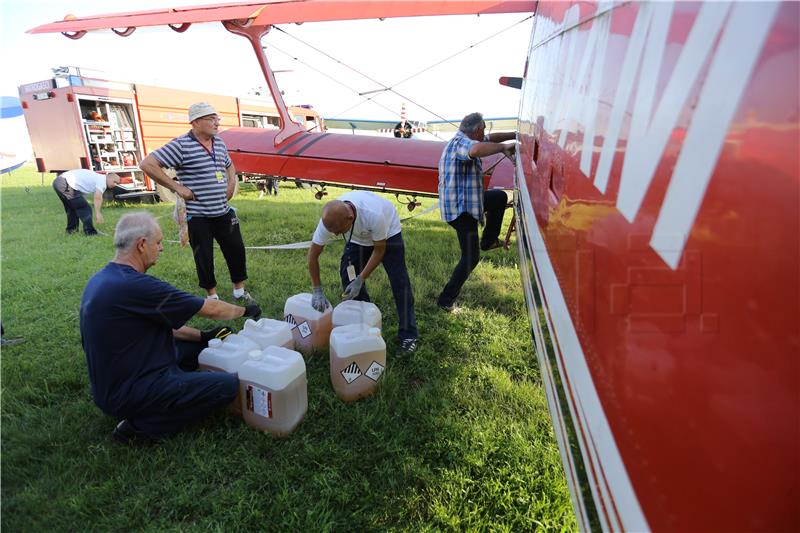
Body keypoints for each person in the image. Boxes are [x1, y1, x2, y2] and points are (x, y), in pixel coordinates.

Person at [80, 212, 262, 445]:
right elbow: (210, 310)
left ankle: (171, 386)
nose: (162, 248)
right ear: (142, 245)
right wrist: (246, 312)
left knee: (198, 347)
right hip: (129, 391)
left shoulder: (103, 279)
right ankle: (139, 428)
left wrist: (204, 336)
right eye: (158, 242)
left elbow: (166, 325)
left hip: (116, 380)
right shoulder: (137, 286)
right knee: (227, 386)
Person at [140, 102, 255, 304]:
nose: (217, 123)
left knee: (236, 250)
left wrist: (230, 184)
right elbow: (147, 164)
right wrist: (177, 187)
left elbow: (229, 165)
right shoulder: (181, 145)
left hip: (223, 211)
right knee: (204, 257)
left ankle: (239, 291)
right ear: (195, 122)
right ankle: (212, 296)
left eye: (217, 119)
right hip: (198, 214)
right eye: (211, 119)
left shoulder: (218, 142)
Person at [307, 191, 418, 355]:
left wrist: (361, 278)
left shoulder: (374, 215)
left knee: (399, 281)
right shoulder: (330, 219)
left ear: (350, 218)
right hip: (357, 238)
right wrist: (317, 289)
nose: (336, 235)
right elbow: (312, 256)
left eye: (339, 231)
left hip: (388, 235)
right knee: (347, 273)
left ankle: (409, 335)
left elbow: (379, 251)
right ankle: (364, 323)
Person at [437, 112, 516, 312]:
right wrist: (504, 148)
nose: (486, 133)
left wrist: (517, 135)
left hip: (468, 201)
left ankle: (489, 240)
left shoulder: (468, 137)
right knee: (470, 257)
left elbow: (492, 138)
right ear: (478, 128)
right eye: (484, 129)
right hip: (461, 209)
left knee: (498, 197)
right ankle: (446, 300)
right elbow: (475, 149)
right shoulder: (461, 143)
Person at [52, 169, 120, 235]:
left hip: (58, 182)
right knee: (85, 208)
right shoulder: (102, 180)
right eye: (115, 182)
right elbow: (98, 197)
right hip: (65, 183)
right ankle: (90, 232)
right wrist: (98, 213)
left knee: (72, 209)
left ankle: (71, 231)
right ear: (109, 178)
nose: (115, 185)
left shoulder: (97, 177)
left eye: (117, 183)